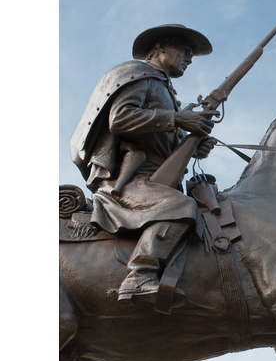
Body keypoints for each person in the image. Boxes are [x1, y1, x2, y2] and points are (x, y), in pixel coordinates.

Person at [70, 24, 217, 307]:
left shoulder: (165, 90)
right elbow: (120, 120)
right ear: (159, 48)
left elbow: (164, 146)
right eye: (185, 51)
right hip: (129, 181)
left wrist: (195, 145)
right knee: (180, 206)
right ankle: (140, 275)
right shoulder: (140, 76)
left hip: (157, 179)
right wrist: (177, 120)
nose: (189, 58)